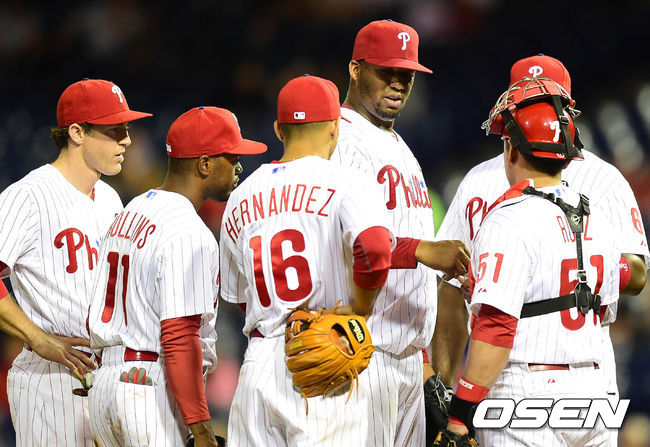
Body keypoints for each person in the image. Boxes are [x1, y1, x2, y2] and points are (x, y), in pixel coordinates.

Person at [432, 54, 649, 445]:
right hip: (585, 376)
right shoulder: (485, 183)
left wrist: (461, 412)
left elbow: (496, 322)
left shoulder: (599, 180)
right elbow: (450, 287)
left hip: (523, 375)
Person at [219, 74, 396, 446]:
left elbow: (239, 297)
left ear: (278, 130)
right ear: (335, 127)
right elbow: (376, 248)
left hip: (259, 363)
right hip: (326, 356)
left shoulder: (241, 196)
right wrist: (359, 309)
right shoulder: (348, 181)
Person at [87, 106, 266, 447]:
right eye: (232, 158)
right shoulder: (189, 231)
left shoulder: (130, 211)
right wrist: (201, 429)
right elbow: (179, 334)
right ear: (204, 164)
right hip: (146, 389)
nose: (239, 167)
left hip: (105, 387)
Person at [330, 19, 471, 446]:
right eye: (386, 71)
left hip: (405, 360)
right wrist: (423, 250)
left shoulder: (399, 147)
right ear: (356, 69)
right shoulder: (341, 140)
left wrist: (424, 363)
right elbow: (351, 244)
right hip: (361, 352)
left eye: (406, 73)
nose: (398, 83)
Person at [0, 78, 151, 446]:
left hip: (106, 374)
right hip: (51, 378)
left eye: (126, 129)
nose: (126, 140)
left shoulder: (111, 199)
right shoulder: (28, 196)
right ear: (77, 132)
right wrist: (36, 337)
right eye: (114, 130)